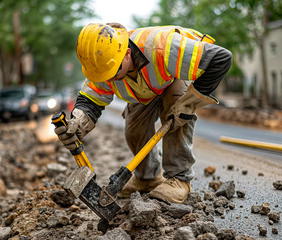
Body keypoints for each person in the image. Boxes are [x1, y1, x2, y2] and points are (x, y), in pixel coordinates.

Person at [54, 23, 232, 204]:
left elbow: (220, 59)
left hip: (174, 77)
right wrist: (78, 123)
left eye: (112, 73)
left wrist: (188, 104)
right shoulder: (102, 64)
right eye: (103, 76)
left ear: (127, 54)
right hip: (147, 89)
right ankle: (147, 178)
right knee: (134, 127)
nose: (108, 80)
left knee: (175, 113)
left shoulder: (164, 47)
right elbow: (90, 100)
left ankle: (179, 179)